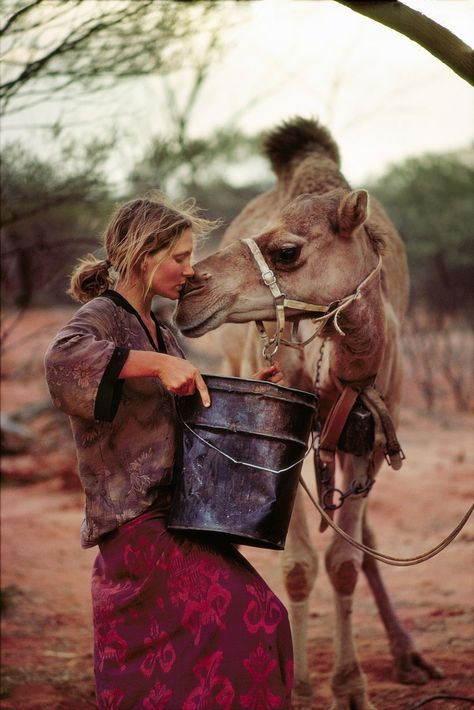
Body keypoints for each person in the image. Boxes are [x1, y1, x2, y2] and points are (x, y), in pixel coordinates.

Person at [44, 193, 293, 709]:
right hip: (136, 524)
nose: (189, 268)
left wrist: (250, 388)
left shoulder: (162, 331)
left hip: (178, 515)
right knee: (249, 617)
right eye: (179, 257)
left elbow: (187, 415)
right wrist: (155, 365)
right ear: (142, 256)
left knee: (261, 621)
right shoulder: (102, 318)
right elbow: (62, 360)